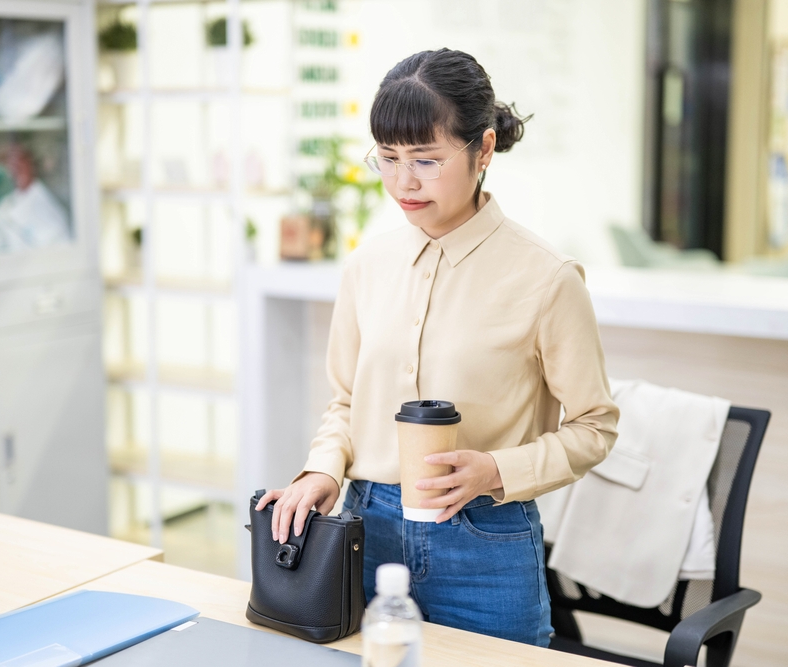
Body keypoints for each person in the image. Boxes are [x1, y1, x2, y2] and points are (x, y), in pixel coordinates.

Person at [256, 48, 618, 647]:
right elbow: (346, 404)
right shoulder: (367, 267)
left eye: (426, 159)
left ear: (484, 149)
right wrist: (322, 470)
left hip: (486, 544)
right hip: (365, 532)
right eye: (389, 159)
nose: (403, 181)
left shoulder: (547, 278)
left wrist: (495, 470)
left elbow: (595, 427)